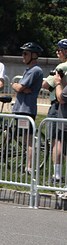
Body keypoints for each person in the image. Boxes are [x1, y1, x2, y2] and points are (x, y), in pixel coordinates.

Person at [12, 42, 45, 173]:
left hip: (26, 109)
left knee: (28, 139)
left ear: (34, 55)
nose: (23, 56)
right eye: (23, 53)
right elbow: (20, 88)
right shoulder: (30, 70)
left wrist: (15, 85)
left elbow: (19, 87)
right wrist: (18, 87)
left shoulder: (35, 70)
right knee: (23, 138)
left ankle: (29, 167)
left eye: (26, 53)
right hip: (20, 108)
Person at [43, 39, 67, 183]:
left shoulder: (62, 66)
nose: (57, 52)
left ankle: (57, 174)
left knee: (56, 141)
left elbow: (46, 83)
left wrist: (56, 83)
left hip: (58, 105)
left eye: (60, 49)